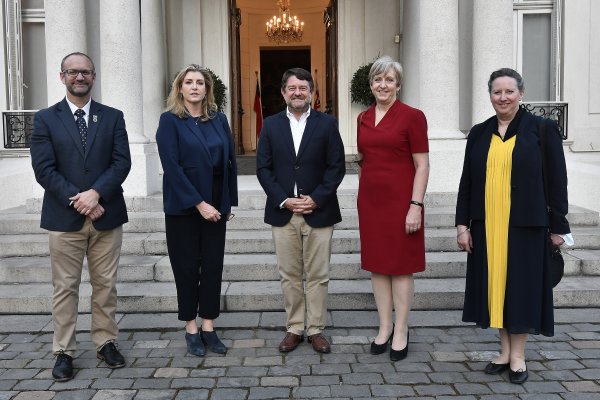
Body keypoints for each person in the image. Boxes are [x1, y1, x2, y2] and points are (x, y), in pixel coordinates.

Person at [456, 68, 571, 384]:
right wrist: (461, 225)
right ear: (490, 95)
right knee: (496, 287)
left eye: (509, 91)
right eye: (497, 92)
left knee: (519, 289)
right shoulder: (479, 133)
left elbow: (557, 181)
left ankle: (518, 356)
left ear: (521, 93)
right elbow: (467, 182)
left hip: (526, 226)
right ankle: (504, 351)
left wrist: (559, 226)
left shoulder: (542, 129)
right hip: (486, 224)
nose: (502, 97)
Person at [30, 52, 131, 381]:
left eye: (85, 72)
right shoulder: (46, 119)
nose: (79, 77)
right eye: (73, 72)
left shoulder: (113, 117)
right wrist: (80, 199)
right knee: (65, 287)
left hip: (106, 215)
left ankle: (105, 342)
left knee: (105, 286)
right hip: (64, 218)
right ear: (62, 77)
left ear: (94, 76)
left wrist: (96, 193)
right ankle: (64, 351)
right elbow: (44, 170)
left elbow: (121, 163)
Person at [256, 67, 345, 354]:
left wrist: (316, 198)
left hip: (319, 212)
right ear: (283, 92)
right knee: (289, 275)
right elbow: (263, 168)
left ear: (311, 93)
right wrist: (284, 199)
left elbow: (336, 167)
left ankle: (316, 329)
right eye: (292, 88)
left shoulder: (327, 124)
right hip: (284, 212)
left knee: (318, 275)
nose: (298, 93)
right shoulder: (270, 125)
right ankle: (294, 327)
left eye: (303, 88)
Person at [156, 64, 238, 357]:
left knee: (213, 266)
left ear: (207, 89)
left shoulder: (219, 120)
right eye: (188, 82)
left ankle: (209, 326)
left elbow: (230, 163)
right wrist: (199, 204)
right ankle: (191, 327)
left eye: (200, 83)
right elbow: (172, 168)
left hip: (216, 204)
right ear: (179, 88)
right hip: (183, 207)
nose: (194, 87)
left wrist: (227, 202)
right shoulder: (169, 121)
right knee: (187, 268)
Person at [355, 56, 430, 362]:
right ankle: (384, 327)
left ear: (398, 85)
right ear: (371, 84)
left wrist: (415, 205)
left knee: (400, 267)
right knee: (377, 265)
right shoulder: (363, 118)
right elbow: (364, 160)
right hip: (371, 203)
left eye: (388, 80)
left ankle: (401, 329)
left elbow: (422, 164)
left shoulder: (412, 116)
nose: (382, 85)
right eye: (377, 80)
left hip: (402, 202)